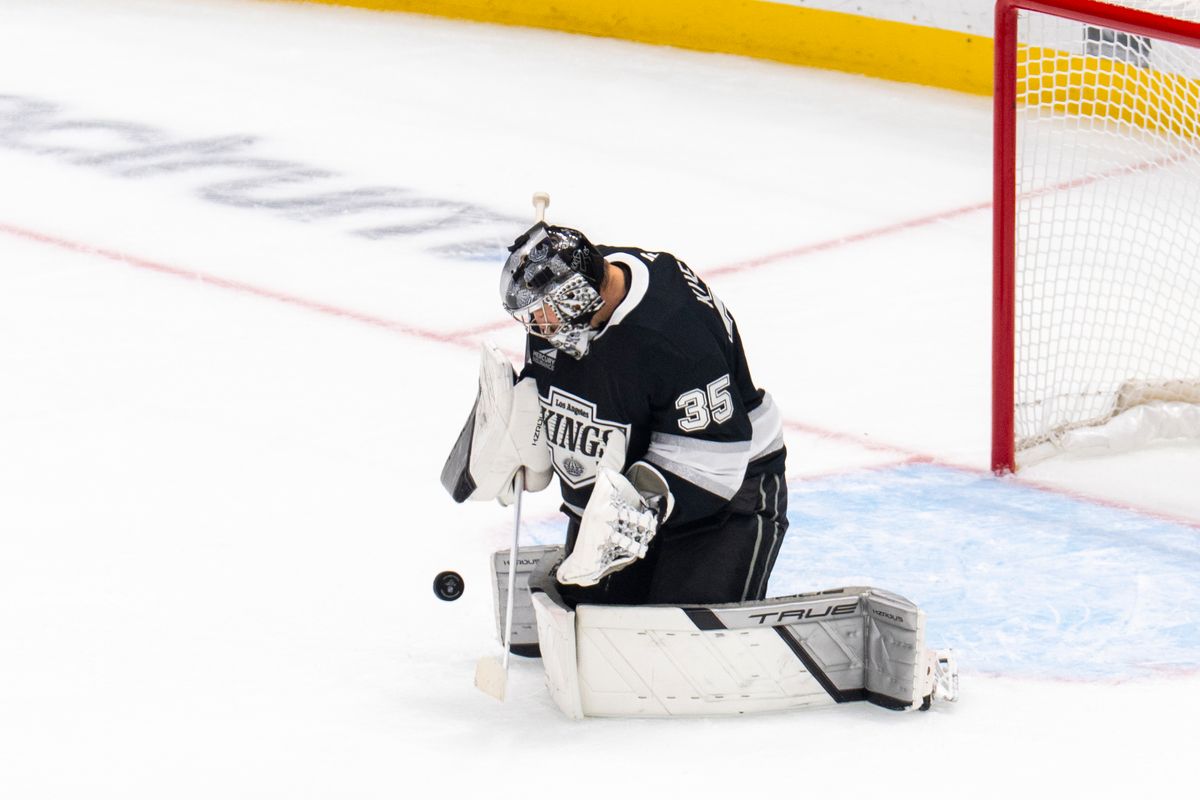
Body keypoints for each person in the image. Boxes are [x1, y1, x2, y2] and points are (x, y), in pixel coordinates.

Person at [492, 221, 789, 607]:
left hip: (724, 495)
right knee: (589, 618)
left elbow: (717, 456)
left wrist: (627, 511)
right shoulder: (580, 283)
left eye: (542, 313)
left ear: (578, 298)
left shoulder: (674, 331)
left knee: (680, 634)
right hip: (628, 478)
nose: (536, 326)